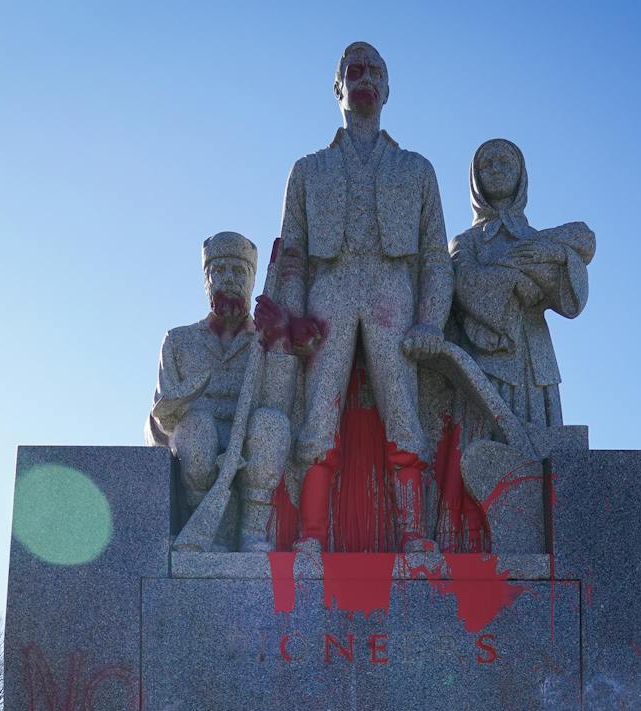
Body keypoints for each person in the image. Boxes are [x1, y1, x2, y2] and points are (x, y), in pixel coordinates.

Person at [275, 42, 453, 552]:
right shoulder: (308, 170)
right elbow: (293, 253)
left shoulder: (416, 169)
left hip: (390, 288)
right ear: (338, 88)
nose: (365, 79)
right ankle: (310, 535)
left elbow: (434, 257)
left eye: (376, 71)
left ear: (389, 89)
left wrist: (430, 320)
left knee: (402, 407)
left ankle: (415, 534)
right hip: (328, 289)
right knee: (319, 411)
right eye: (354, 71)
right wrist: (292, 317)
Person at [148, 232, 289, 548]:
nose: (229, 279)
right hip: (195, 442)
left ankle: (253, 532)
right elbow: (160, 420)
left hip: (251, 438)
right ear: (206, 279)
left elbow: (282, 401)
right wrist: (182, 404)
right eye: (219, 270)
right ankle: (211, 532)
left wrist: (278, 340)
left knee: (271, 424)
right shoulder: (178, 341)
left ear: (252, 279)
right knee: (196, 428)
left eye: (239, 271)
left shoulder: (265, 341)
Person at [449, 138, 595, 428]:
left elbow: (569, 298)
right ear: (475, 179)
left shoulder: (538, 239)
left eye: (505, 162)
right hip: (485, 357)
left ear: (520, 174)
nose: (495, 169)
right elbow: (463, 282)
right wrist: (514, 278)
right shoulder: (467, 241)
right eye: (486, 164)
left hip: (534, 355)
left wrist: (556, 253)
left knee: (544, 442)